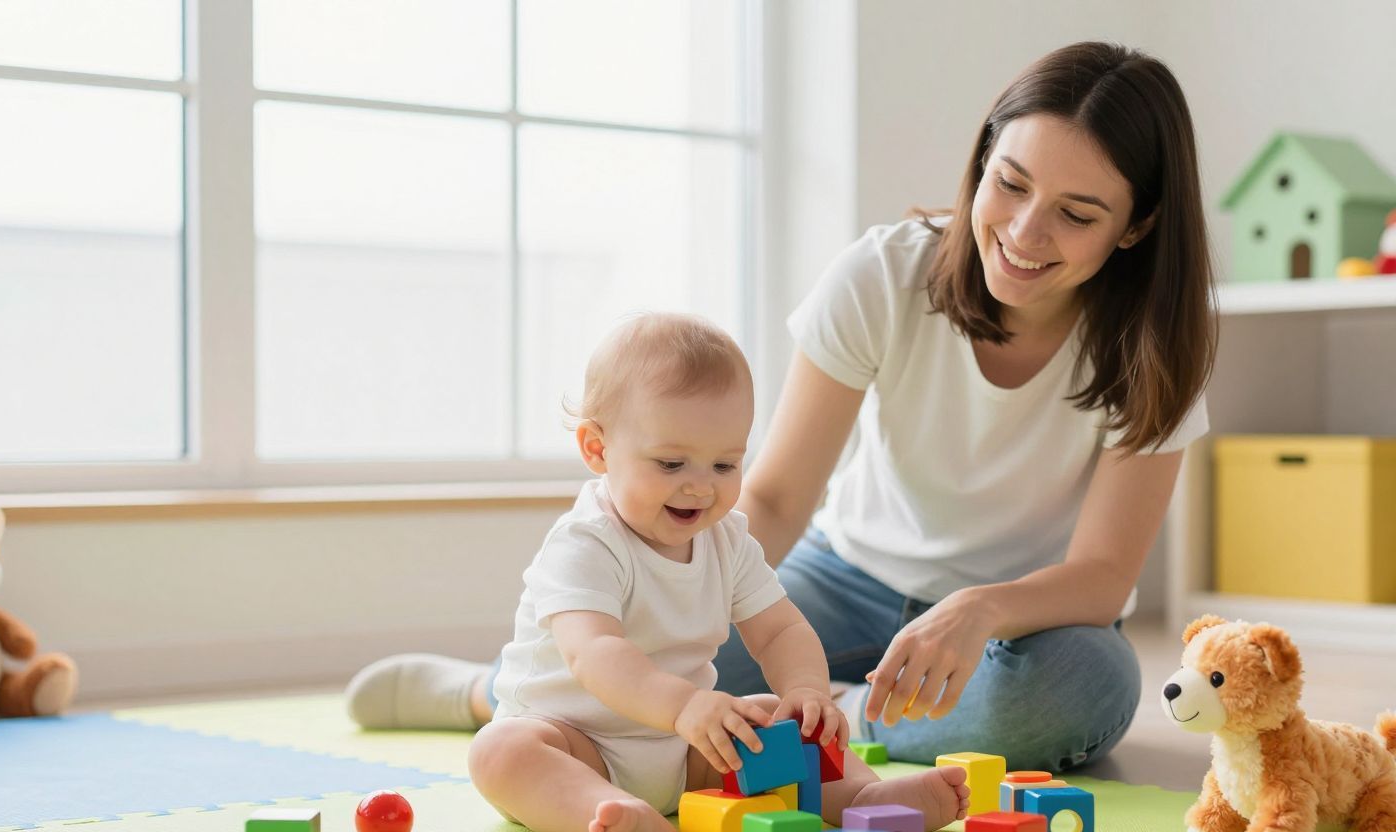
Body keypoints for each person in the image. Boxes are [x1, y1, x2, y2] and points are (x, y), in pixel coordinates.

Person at [347, 41, 1216, 775]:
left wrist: (981, 608)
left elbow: (1102, 577)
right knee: (648, 656)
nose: (1025, 233)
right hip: (840, 579)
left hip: (1013, 625)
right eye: (1011, 184)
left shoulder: (1157, 346)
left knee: (1091, 685)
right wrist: (674, 597)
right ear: (982, 159)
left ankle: (844, 718)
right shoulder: (887, 274)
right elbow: (775, 500)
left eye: (1076, 213)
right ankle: (494, 694)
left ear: (1134, 227)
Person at [457, 313, 969, 832]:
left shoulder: (726, 539)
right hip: (579, 745)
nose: (700, 485)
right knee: (501, 751)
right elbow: (594, 653)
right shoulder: (585, 544)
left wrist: (808, 691)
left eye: (725, 463)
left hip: (689, 750)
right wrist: (684, 707)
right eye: (671, 462)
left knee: (774, 714)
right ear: (597, 449)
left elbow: (780, 629)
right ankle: (610, 812)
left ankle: (862, 796)